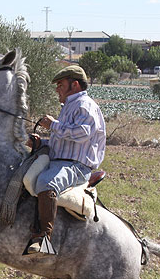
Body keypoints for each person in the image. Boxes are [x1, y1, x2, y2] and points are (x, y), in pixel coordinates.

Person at [24, 65, 106, 255]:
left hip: (76, 166)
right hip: (61, 161)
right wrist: (39, 142)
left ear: (74, 85)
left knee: (46, 182)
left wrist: (53, 125)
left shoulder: (85, 105)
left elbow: (82, 133)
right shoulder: (70, 106)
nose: (57, 89)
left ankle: (44, 238)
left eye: (60, 84)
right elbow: (62, 140)